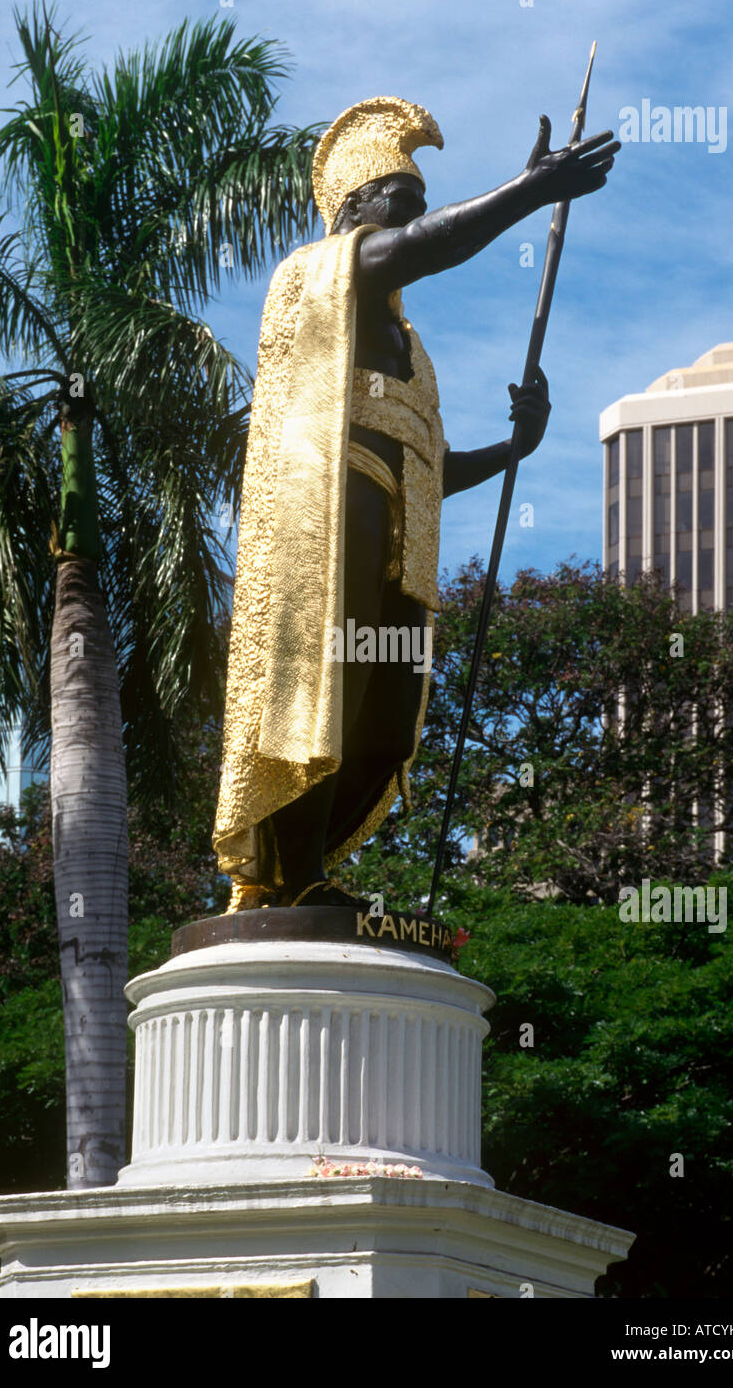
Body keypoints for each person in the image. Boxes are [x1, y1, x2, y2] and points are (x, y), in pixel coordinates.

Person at [213, 97, 618, 910]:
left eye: (420, 202)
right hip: (329, 519)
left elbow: (428, 468)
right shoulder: (315, 274)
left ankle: (306, 870)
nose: (418, 212)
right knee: (326, 692)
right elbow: (423, 251)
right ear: (354, 207)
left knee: (387, 721)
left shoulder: (408, 348)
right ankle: (292, 880)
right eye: (402, 197)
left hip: (395, 526)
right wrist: (528, 191)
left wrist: (513, 450)